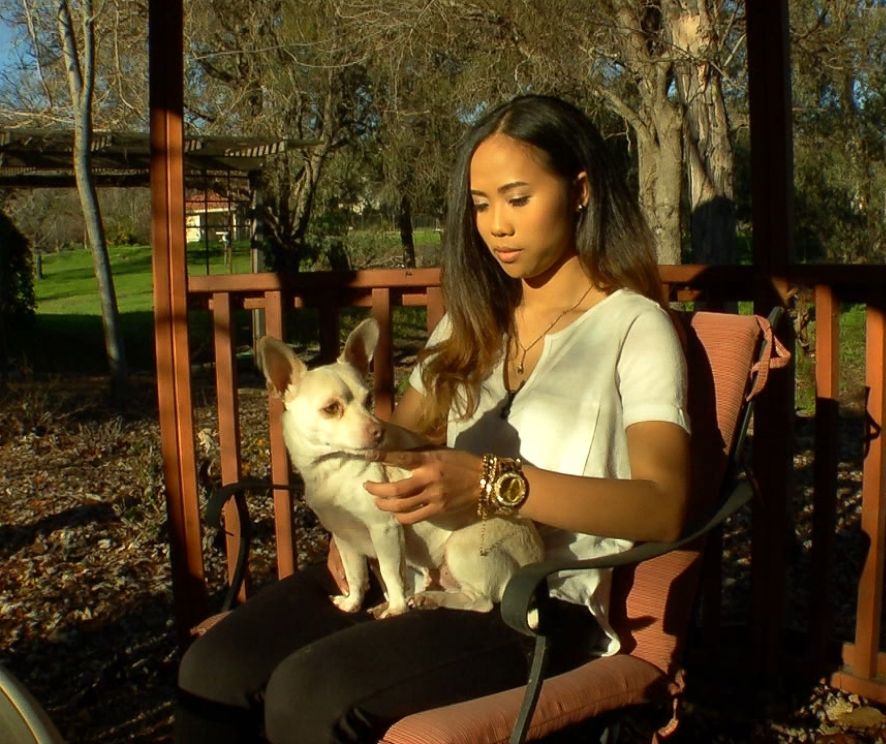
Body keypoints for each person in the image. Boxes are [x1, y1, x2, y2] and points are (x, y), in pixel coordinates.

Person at [174, 94, 690, 744]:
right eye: (481, 205)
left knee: (311, 693)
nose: (496, 225)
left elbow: (664, 506)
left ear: (580, 190)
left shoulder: (635, 327)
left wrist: (492, 482)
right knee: (214, 667)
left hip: (533, 599)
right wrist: (328, 420)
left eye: (517, 198)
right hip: (417, 567)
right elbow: (398, 443)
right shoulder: (470, 322)